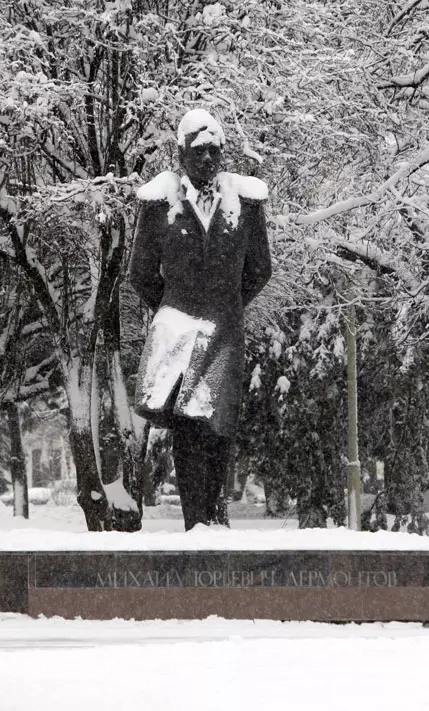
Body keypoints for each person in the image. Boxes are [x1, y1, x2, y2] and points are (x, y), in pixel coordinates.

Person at [129, 108, 272, 530]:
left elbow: (260, 269)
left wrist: (226, 303)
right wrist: (175, 305)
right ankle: (196, 527)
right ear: (181, 153)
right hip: (178, 330)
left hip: (224, 331)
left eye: (214, 151)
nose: (207, 160)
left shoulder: (245, 203)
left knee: (217, 426)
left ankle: (212, 521)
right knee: (188, 428)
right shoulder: (159, 204)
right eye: (198, 151)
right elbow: (140, 274)